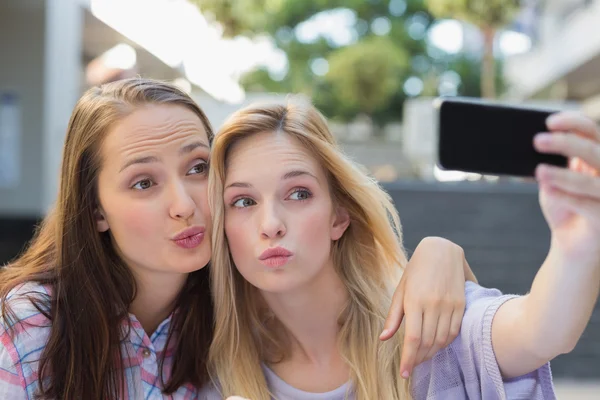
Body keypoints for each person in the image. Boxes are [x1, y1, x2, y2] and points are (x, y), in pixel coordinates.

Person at [0, 78, 475, 399]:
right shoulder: (32, 324)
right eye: (144, 183)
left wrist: (441, 252)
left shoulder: (234, 304)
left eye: (198, 168)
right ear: (95, 209)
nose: (184, 203)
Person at [204, 99, 600, 399]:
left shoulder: (425, 326)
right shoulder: (212, 374)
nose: (271, 224)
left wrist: (577, 244)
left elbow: (542, 331)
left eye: (299, 193)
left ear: (339, 217)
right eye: (243, 201)